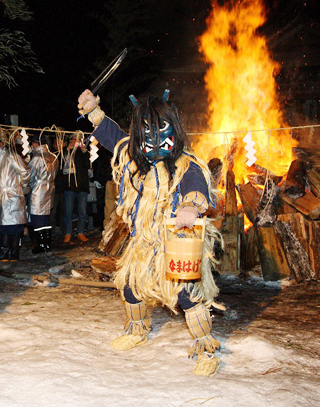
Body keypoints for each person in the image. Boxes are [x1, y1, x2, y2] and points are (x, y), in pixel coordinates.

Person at [77, 89, 223, 376]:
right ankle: (137, 330)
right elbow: (114, 138)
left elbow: (196, 184)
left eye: (161, 131)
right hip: (143, 243)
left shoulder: (187, 164)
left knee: (188, 295)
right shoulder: (135, 159)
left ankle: (205, 349)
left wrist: (191, 206)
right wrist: (94, 112)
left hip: (178, 242)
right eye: (146, 133)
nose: (154, 140)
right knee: (131, 285)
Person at [0, 136, 30, 262]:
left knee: (15, 225)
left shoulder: (11, 155)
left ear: (1, 143)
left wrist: (21, 186)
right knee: (3, 225)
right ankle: (5, 251)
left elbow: (25, 171)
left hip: (12, 195)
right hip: (1, 196)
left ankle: (15, 252)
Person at [27, 134, 58, 253]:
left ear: (36, 143)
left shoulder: (36, 158)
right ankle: (47, 245)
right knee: (46, 218)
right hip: (50, 190)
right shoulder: (53, 156)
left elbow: (30, 176)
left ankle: (40, 245)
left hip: (38, 190)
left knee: (37, 219)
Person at [61, 133, 90, 243]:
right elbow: (60, 163)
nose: (76, 141)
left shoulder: (84, 152)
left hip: (82, 185)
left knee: (82, 211)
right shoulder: (66, 151)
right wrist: (68, 149)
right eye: (74, 139)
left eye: (78, 140)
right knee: (68, 211)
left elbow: (88, 165)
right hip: (69, 185)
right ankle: (68, 233)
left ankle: (80, 232)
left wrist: (83, 150)